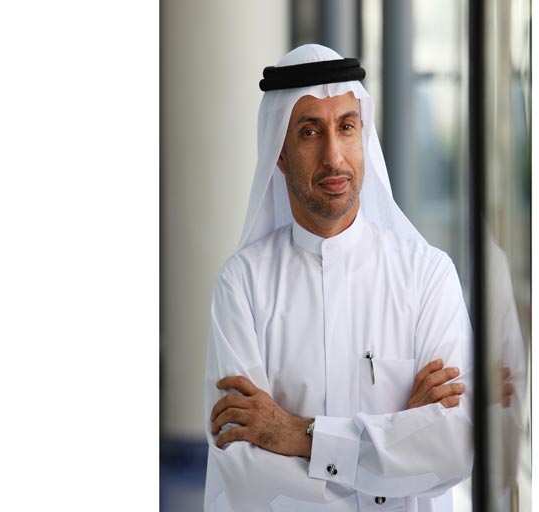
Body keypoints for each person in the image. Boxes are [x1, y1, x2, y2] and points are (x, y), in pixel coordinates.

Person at [203, 44, 501, 512]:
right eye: (309, 132)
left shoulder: (427, 275)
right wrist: (398, 442)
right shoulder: (242, 285)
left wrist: (294, 433)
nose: (333, 156)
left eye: (346, 127)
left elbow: (453, 447)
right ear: (279, 154)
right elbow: (247, 472)